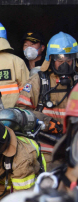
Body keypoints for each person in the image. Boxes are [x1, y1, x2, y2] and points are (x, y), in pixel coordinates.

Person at [16, 32, 78, 169]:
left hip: (75, 151)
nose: (65, 65)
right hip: (48, 153)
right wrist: (46, 121)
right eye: (60, 60)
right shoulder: (39, 81)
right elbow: (21, 110)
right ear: (50, 59)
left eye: (69, 61)